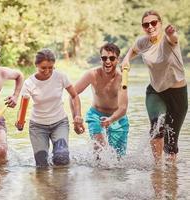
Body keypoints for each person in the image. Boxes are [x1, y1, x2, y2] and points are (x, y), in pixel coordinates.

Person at [122, 10, 188, 164]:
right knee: (156, 129)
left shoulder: (168, 40)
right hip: (156, 91)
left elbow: (174, 38)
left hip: (178, 93)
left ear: (160, 23)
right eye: (146, 24)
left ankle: (171, 177)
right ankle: (157, 169)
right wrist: (126, 59)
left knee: (172, 142)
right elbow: (133, 50)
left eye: (153, 23)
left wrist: (172, 33)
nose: (150, 26)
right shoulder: (142, 41)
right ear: (143, 27)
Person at [15, 49, 84, 167]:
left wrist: (77, 115)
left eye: (50, 68)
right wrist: (19, 123)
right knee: (41, 165)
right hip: (37, 126)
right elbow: (23, 106)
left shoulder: (61, 77)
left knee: (61, 157)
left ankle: (60, 184)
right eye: (43, 68)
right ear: (36, 65)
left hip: (59, 123)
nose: (47, 71)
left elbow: (74, 96)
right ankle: (45, 185)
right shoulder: (29, 83)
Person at [71, 43, 129, 157]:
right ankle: (98, 172)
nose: (107, 61)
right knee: (100, 149)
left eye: (112, 58)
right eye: (104, 58)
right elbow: (73, 93)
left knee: (119, 159)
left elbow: (123, 108)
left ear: (118, 59)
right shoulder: (92, 74)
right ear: (100, 59)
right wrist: (76, 117)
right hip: (95, 115)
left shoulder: (122, 78)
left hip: (117, 117)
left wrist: (111, 119)